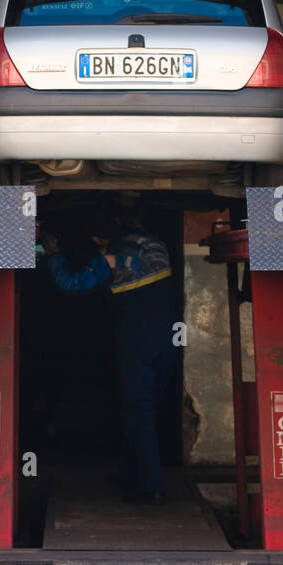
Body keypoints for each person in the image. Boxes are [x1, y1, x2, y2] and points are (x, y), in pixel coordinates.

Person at [41, 209, 177, 504]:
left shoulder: (110, 258)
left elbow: (72, 284)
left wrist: (52, 253)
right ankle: (131, 474)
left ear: (100, 238)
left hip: (136, 337)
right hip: (169, 334)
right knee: (147, 409)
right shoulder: (155, 244)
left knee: (137, 410)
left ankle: (150, 486)